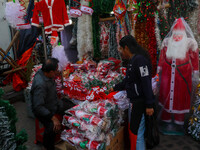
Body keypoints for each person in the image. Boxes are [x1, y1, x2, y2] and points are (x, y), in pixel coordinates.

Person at [111, 35, 155, 150]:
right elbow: (128, 81)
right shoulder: (132, 60)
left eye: (120, 49)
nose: (120, 52)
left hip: (139, 102)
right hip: (134, 102)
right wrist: (115, 87)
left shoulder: (139, 60)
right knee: (135, 131)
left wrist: (149, 104)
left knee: (137, 133)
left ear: (126, 47)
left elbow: (146, 82)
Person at [157, 18, 199, 135]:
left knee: (180, 97)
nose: (177, 36)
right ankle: (166, 121)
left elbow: (194, 58)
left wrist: (195, 71)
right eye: (176, 32)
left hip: (183, 76)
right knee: (166, 95)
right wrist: (159, 68)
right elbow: (162, 57)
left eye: (179, 32)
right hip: (167, 75)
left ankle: (178, 123)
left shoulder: (190, 43)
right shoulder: (167, 41)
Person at [31, 58, 73, 150]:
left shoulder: (46, 73)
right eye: (55, 71)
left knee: (72, 108)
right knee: (52, 127)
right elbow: (38, 107)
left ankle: (70, 137)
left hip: (53, 103)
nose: (57, 72)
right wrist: (53, 118)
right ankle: (48, 147)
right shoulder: (40, 84)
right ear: (49, 72)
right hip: (43, 110)